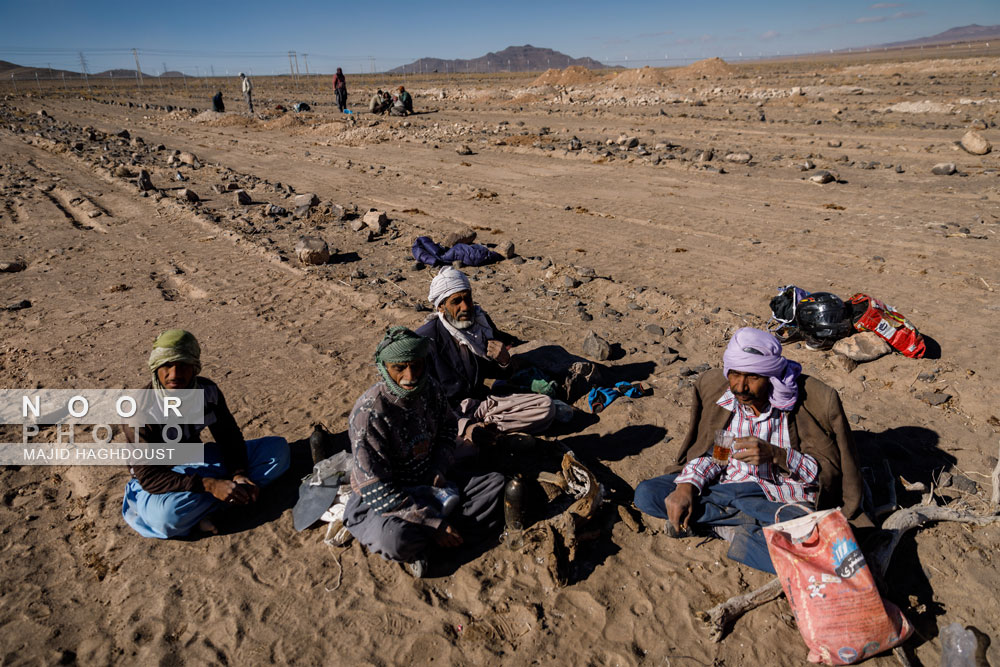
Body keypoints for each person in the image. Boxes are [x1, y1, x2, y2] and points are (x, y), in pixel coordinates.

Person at [633, 327, 871, 574]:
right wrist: (686, 487)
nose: (740, 387)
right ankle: (746, 531)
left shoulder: (798, 405)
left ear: (770, 377)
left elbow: (824, 474)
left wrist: (776, 454)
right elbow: (718, 458)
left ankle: (730, 528)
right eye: (734, 375)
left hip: (776, 498)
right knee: (647, 494)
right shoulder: (728, 403)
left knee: (821, 540)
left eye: (752, 377)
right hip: (726, 489)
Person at [344, 327, 504, 577]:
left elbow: (448, 428)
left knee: (494, 485)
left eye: (417, 366)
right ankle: (442, 537)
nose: (411, 376)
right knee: (395, 538)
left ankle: (435, 543)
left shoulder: (431, 389)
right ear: (384, 367)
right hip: (388, 500)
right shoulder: (370, 414)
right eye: (400, 368)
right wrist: (432, 523)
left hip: (429, 481)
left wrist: (439, 466)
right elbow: (378, 491)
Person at [120, 329, 290, 538]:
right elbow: (149, 477)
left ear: (195, 368)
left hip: (196, 459)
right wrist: (210, 485)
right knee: (165, 518)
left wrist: (239, 474)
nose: (174, 374)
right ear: (156, 368)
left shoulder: (207, 392)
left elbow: (229, 438)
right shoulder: (139, 410)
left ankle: (221, 499)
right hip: (159, 482)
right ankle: (223, 500)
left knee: (278, 450)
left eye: (183, 365)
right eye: (167, 365)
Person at [416, 267, 555, 447]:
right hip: (447, 413)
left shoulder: (480, 324)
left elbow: (495, 371)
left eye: (468, 298)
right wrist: (465, 426)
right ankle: (479, 436)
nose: (465, 307)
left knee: (546, 407)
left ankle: (487, 433)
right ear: (441, 306)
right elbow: (424, 405)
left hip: (479, 405)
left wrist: (504, 361)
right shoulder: (426, 342)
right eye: (456, 301)